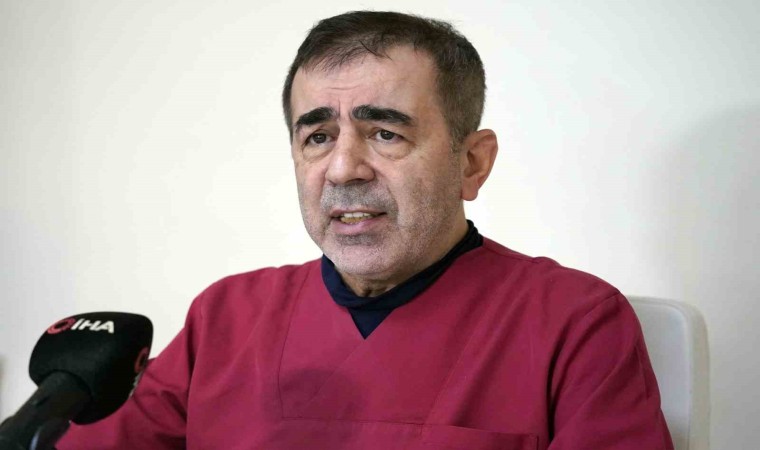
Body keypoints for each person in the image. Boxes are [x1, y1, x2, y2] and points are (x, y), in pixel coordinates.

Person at [58, 11, 674, 450]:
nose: (343, 168)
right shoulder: (225, 319)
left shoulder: (573, 322)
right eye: (317, 137)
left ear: (471, 163)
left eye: (385, 133)